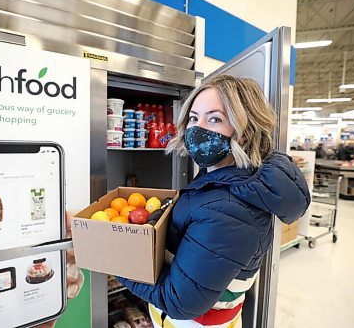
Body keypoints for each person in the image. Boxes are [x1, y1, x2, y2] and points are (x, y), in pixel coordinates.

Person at [117, 75, 310, 328]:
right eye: (194, 118)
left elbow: (178, 301)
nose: (198, 129)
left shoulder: (232, 209)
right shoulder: (221, 177)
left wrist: (117, 260)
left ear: (244, 132)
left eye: (215, 119)